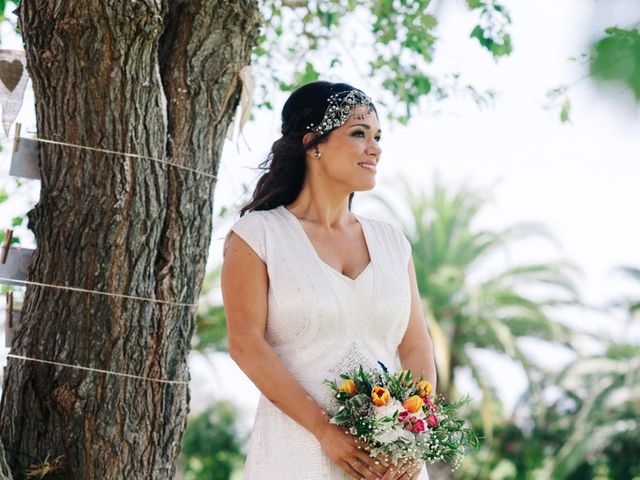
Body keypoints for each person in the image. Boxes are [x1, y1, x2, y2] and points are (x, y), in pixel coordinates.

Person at [221, 81, 437, 480]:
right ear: (312, 143)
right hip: (296, 451)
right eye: (359, 134)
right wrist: (323, 429)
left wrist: (415, 435)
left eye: (377, 136)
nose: (375, 148)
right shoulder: (258, 235)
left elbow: (415, 345)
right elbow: (245, 344)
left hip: (389, 466)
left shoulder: (392, 243)